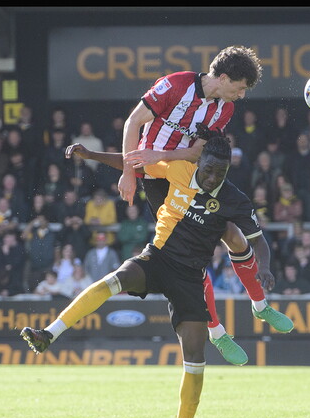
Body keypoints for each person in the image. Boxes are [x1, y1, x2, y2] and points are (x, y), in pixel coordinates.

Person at [21, 135, 281, 418]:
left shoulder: (234, 199)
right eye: (209, 170)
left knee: (195, 360)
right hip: (157, 258)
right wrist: (89, 154)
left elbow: (258, 241)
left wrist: (264, 268)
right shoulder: (178, 169)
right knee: (114, 281)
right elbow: (131, 160)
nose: (213, 178)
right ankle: (49, 333)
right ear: (199, 162)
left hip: (189, 279)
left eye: (221, 173)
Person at [112, 45, 294, 338]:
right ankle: (216, 331)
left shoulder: (226, 108)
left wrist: (160, 154)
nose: (242, 94)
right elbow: (133, 122)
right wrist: (128, 172)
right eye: (240, 87)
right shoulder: (175, 85)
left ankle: (260, 305)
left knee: (234, 235)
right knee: (188, 255)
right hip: (158, 180)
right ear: (223, 77)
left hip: (191, 174)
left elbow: (198, 152)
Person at [21, 213, 57, 292]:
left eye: (42, 220)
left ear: (47, 221)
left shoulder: (52, 234)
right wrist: (32, 223)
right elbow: (23, 236)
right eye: (39, 220)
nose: (40, 222)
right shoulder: (33, 233)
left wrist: (56, 261)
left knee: (47, 287)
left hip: (48, 265)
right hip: (35, 266)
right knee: (33, 286)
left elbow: (56, 249)